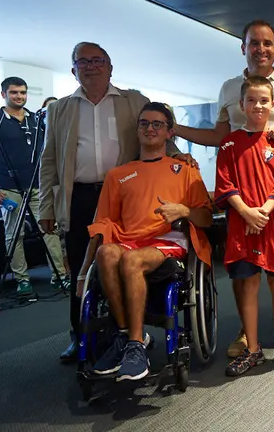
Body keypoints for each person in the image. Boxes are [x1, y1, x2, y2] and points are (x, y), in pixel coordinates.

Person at [38, 42, 191, 362]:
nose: (91, 66)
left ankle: (124, 332)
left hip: (126, 195)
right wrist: (46, 207)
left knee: (118, 258)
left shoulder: (133, 101)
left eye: (98, 61)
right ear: (73, 70)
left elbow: (156, 131)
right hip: (78, 195)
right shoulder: (59, 108)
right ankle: (81, 335)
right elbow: (49, 159)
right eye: (83, 62)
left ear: (110, 67)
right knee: (81, 266)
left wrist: (179, 159)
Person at [175, 20, 274, 357]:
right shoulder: (229, 88)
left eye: (268, 43)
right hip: (242, 197)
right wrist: (174, 130)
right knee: (244, 270)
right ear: (244, 47)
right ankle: (246, 330)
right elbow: (220, 138)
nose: (261, 49)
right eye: (254, 43)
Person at [77, 102, 212, 381]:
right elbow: (102, 225)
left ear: (169, 133)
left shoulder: (185, 169)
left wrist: (184, 211)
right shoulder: (117, 175)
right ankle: (131, 337)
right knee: (107, 253)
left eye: (157, 124)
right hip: (129, 240)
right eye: (144, 124)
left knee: (131, 259)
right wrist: (82, 271)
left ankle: (134, 344)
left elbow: (207, 218)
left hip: (167, 241)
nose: (150, 129)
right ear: (137, 130)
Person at [214, 77, 274, 377]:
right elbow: (224, 184)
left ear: (273, 104)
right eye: (251, 100)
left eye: (264, 100)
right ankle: (252, 349)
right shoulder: (229, 143)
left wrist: (261, 213)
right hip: (241, 225)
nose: (258, 105)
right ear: (241, 105)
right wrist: (246, 212)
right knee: (247, 286)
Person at [0, 77, 68, 297]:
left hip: (39, 187)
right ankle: (22, 280)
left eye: (23, 93)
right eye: (14, 92)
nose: (19, 96)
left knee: (49, 230)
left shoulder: (36, 120)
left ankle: (60, 276)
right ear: (3, 95)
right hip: (9, 188)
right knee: (13, 235)